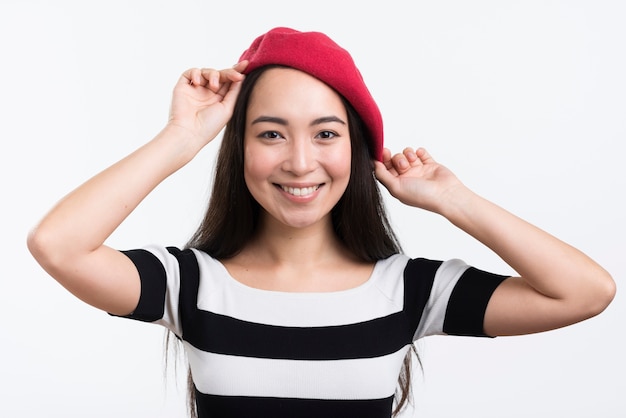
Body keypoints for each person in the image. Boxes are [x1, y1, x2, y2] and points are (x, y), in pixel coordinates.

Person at [27, 27, 615, 418]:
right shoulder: (191, 284)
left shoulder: (410, 290)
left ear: (358, 150)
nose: (300, 162)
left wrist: (454, 200)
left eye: (326, 133)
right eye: (271, 133)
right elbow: (58, 245)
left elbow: (586, 292)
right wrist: (182, 137)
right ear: (239, 148)